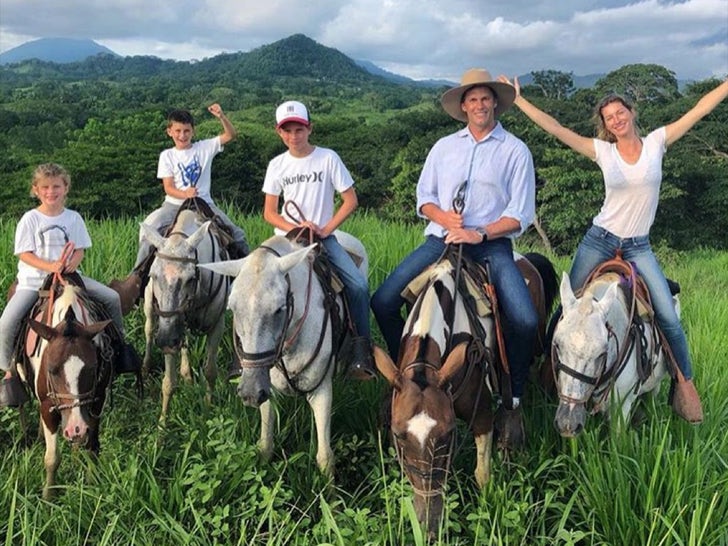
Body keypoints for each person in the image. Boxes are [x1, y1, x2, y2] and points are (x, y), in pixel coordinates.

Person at [498, 74, 728, 424]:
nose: (616, 119)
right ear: (604, 124)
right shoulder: (603, 151)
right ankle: (547, 371)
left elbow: (697, 111)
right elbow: (557, 129)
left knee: (667, 314)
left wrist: (725, 86)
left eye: (621, 112)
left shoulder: (657, 143)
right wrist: (520, 101)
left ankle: (684, 384)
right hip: (600, 238)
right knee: (566, 311)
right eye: (609, 117)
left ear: (632, 113)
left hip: (638, 246)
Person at [370, 68, 539, 437]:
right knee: (382, 301)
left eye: (485, 98)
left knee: (525, 320)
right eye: (473, 99)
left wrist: (479, 232)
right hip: (440, 240)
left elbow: (520, 213)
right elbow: (424, 198)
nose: (479, 105)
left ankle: (513, 398)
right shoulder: (444, 147)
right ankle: (410, 377)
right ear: (463, 106)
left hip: (490, 246)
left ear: (495, 102)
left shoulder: (515, 150)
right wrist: (445, 217)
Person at [0, 163, 137, 406]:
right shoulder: (30, 219)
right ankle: (8, 370)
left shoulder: (73, 218)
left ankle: (119, 348)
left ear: (66, 188)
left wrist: (73, 261)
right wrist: (50, 266)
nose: (51, 192)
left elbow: (80, 248)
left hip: (70, 279)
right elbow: (24, 254)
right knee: (7, 321)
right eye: (45, 187)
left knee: (111, 297)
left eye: (56, 187)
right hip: (34, 281)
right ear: (36, 190)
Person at [261, 100, 375, 380]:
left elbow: (350, 200)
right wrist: (295, 227)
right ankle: (244, 358)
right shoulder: (277, 165)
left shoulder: (327, 158)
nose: (293, 136)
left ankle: (361, 350)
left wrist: (326, 229)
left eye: (298, 129)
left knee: (358, 286)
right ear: (279, 133)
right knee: (252, 285)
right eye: (286, 131)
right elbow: (269, 212)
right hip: (286, 240)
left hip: (323, 238)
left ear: (309, 128)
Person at [131, 104, 249, 272]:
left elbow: (231, 135)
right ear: (169, 131)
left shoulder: (204, 147)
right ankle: (136, 279)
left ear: (193, 131)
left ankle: (245, 276)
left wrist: (221, 116)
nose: (182, 135)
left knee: (237, 235)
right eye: (178, 131)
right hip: (173, 205)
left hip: (203, 203)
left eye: (186, 131)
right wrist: (185, 193)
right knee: (149, 235)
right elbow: (169, 188)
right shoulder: (167, 155)